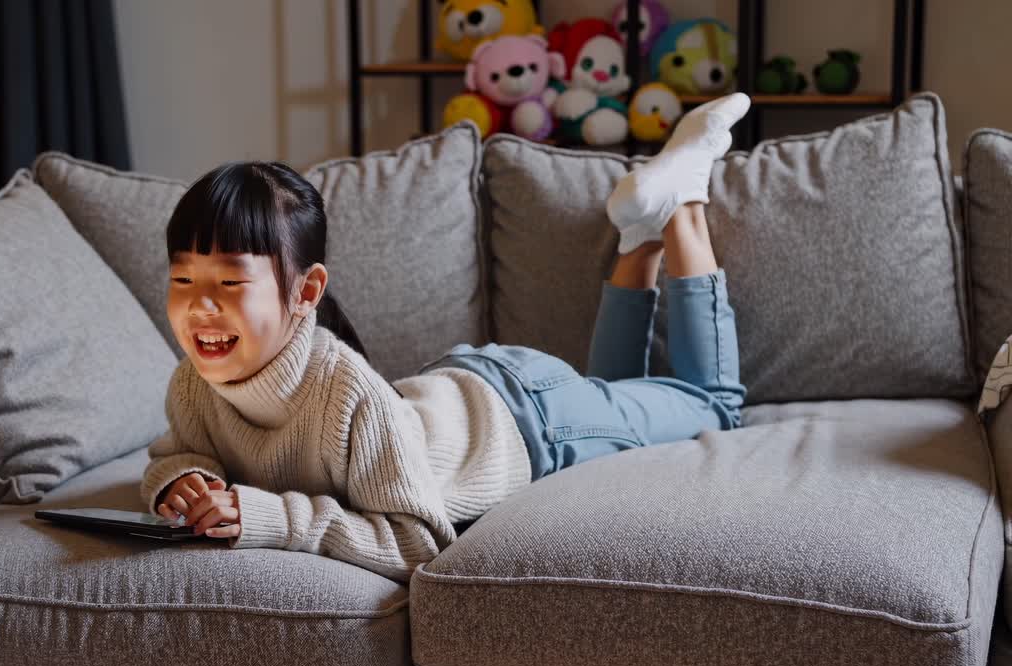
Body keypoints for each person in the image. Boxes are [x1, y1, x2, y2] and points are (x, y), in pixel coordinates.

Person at [140, 93, 752, 582]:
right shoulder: (193, 386)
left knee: (718, 409)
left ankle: (685, 205)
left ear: (305, 292)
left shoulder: (346, 394)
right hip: (461, 390)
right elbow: (176, 451)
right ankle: (640, 233)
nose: (200, 306)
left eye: (229, 281)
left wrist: (274, 517)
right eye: (183, 278)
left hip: (532, 419)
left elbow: (416, 541)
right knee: (617, 393)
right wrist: (183, 481)